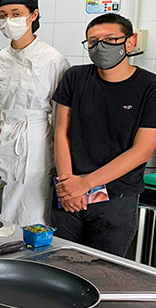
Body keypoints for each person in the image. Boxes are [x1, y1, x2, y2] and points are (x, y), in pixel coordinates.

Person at [51, 14, 156, 256]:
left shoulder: (149, 87)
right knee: (58, 266)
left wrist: (85, 184)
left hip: (116, 198)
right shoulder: (75, 77)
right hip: (68, 192)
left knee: (104, 273)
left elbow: (142, 150)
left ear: (130, 42)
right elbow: (61, 132)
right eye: (92, 42)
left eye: (110, 40)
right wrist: (67, 184)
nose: (101, 47)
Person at [0, 0, 70, 226]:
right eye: (3, 15)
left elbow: (60, 114)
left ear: (33, 15)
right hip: (0, 137)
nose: (8, 20)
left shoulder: (52, 59)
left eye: (15, 13)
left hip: (35, 141)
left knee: (30, 209)